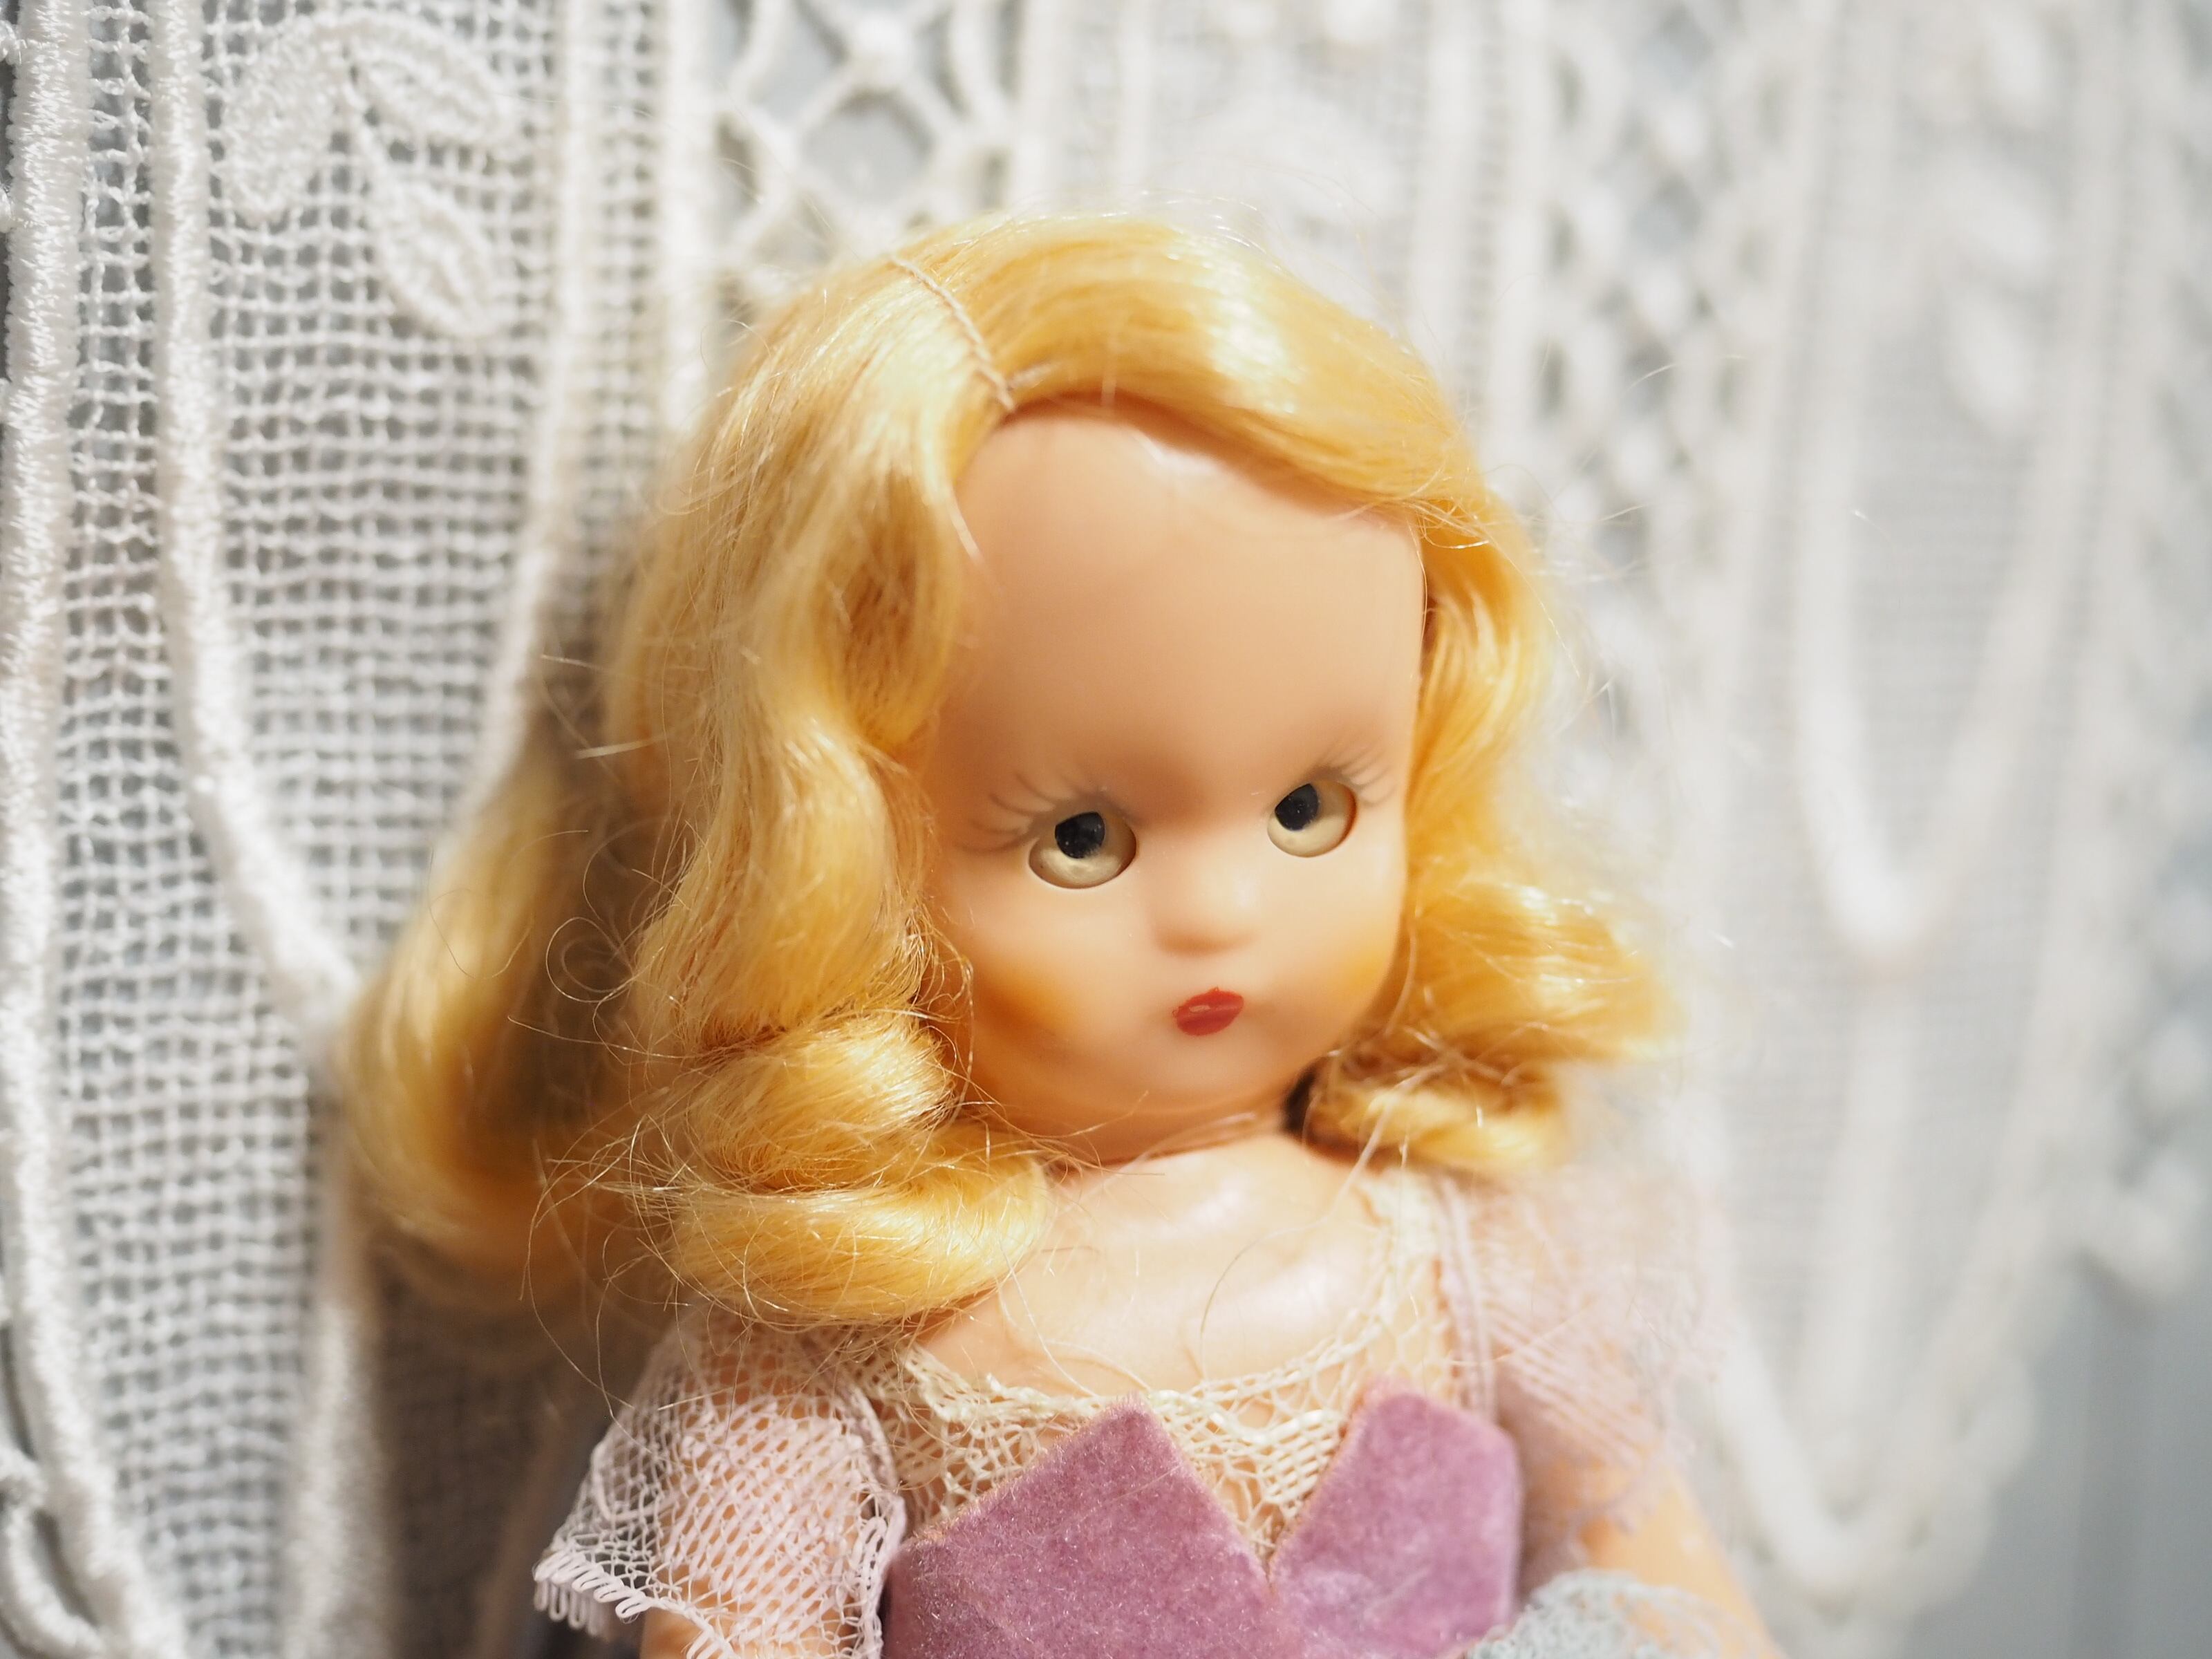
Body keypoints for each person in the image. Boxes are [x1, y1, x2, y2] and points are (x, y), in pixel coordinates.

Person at [343, 214, 1777, 1658]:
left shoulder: (1474, 1260)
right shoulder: (829, 1356)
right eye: (1079, 840)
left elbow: (1677, 1600)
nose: (1220, 914)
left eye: (1308, 809)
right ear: (831, 856)